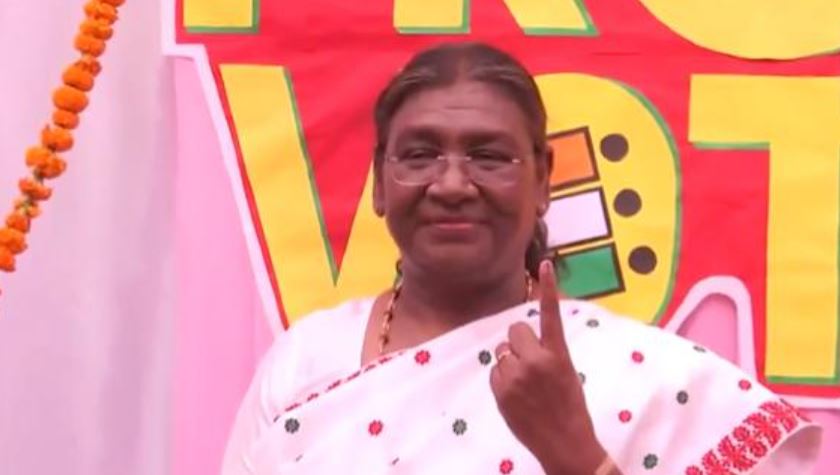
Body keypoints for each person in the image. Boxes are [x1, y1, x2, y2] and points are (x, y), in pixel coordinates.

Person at [221, 42, 822, 475]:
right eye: (420, 155)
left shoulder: (645, 380)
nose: (451, 184)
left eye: (488, 157)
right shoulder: (304, 363)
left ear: (543, 183)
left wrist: (577, 456)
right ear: (380, 182)